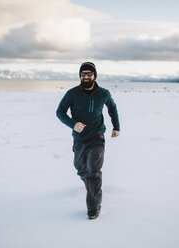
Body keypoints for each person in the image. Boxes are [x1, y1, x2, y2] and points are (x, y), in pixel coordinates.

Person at [56, 62, 120, 219]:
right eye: (83, 74)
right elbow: (60, 112)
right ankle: (90, 186)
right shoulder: (72, 93)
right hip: (79, 139)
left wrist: (116, 127)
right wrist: (73, 124)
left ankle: (93, 207)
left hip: (97, 137)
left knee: (93, 172)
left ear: (95, 76)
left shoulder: (103, 93)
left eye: (89, 74)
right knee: (80, 168)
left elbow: (112, 108)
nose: (86, 77)